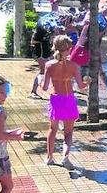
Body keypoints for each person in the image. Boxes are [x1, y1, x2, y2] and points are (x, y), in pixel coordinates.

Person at [42, 35, 90, 168]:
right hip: (69, 99)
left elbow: (45, 87)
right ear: (68, 49)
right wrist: (88, 82)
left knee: (52, 129)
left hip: (56, 98)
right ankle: (65, 157)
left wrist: (42, 81)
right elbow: (81, 86)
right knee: (68, 133)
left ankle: (49, 157)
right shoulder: (74, 66)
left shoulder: (49, 65)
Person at [30, 20, 53, 99]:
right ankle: (33, 91)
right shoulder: (38, 33)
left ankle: (55, 90)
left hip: (46, 53)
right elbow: (33, 41)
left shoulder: (47, 31)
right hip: (41, 54)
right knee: (42, 71)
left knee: (49, 71)